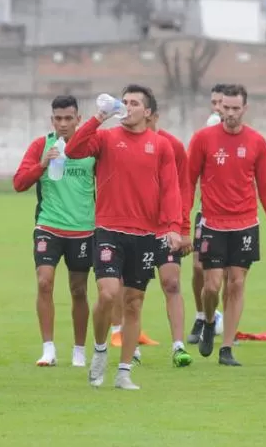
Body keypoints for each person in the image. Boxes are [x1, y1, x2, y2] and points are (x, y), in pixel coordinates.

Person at [65, 84, 182, 390]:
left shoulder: (161, 146)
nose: (127, 107)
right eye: (124, 101)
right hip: (108, 230)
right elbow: (73, 150)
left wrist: (173, 226)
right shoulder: (104, 137)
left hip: (145, 234)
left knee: (134, 303)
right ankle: (101, 349)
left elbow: (171, 189)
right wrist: (96, 118)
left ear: (148, 113)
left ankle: (124, 372)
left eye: (134, 103)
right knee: (107, 293)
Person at [187, 84, 266, 366]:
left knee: (237, 282)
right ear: (219, 108)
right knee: (212, 285)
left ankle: (227, 348)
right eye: (225, 108)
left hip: (245, 224)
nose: (229, 113)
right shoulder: (203, 139)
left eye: (235, 108)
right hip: (213, 223)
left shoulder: (256, 141)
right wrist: (182, 222)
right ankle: (208, 320)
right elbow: (187, 181)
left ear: (245, 108)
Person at [12, 95, 95, 368]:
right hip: (49, 225)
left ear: (78, 120)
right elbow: (19, 183)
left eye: (68, 118)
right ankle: (48, 349)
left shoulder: (93, 146)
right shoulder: (41, 145)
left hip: (83, 228)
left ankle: (80, 350)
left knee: (79, 289)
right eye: (58, 119)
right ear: (52, 120)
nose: (63, 124)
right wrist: (43, 164)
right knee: (44, 281)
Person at [145, 109, 194, 367]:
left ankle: (178, 346)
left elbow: (183, 187)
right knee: (131, 290)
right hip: (136, 227)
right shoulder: (120, 141)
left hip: (166, 227)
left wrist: (184, 229)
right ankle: (131, 344)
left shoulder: (172, 145)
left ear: (152, 114)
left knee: (172, 283)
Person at [187, 83, 227, 344]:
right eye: (213, 102)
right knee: (198, 268)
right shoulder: (205, 134)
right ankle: (202, 315)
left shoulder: (242, 137)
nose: (217, 108)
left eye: (221, 103)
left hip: (234, 218)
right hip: (206, 213)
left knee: (229, 276)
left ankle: (225, 328)